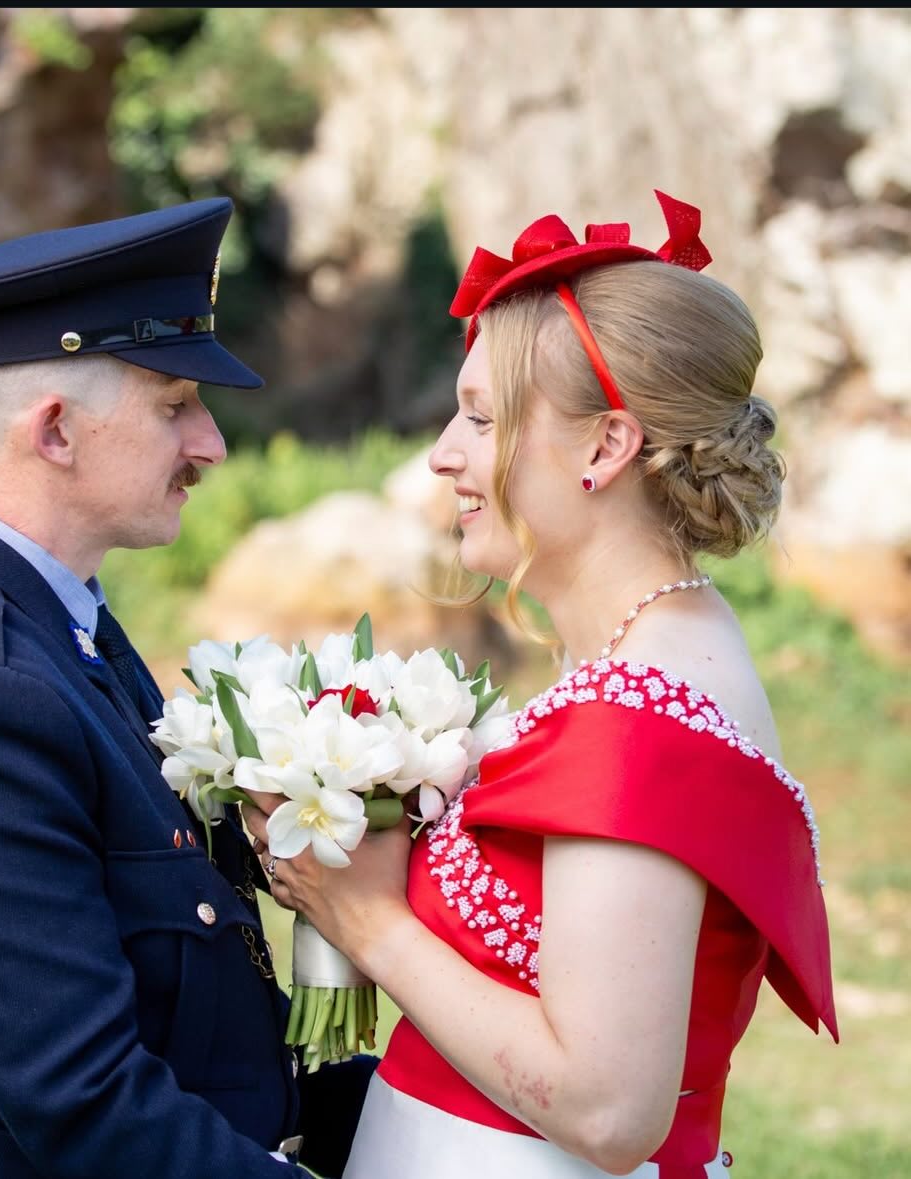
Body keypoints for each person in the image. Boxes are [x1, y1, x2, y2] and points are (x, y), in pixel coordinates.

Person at [242, 190, 838, 1178]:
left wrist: (370, 924)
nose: (444, 453)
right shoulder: (656, 651)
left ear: (606, 445)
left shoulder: (635, 718)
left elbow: (608, 1108)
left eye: (482, 418)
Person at [0, 196, 374, 1179]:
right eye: (174, 406)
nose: (210, 444)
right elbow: (89, 1107)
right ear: (56, 432)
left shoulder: (59, 625)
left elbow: (192, 1025)